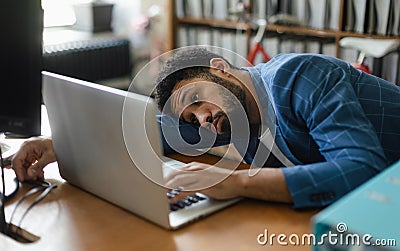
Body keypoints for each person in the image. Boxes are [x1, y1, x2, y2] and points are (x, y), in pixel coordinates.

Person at [12, 47, 400, 209]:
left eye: (197, 99)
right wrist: (60, 143)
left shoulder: (296, 76)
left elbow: (362, 171)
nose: (201, 119)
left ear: (220, 68)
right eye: (190, 117)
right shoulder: (224, 118)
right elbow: (155, 130)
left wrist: (240, 183)